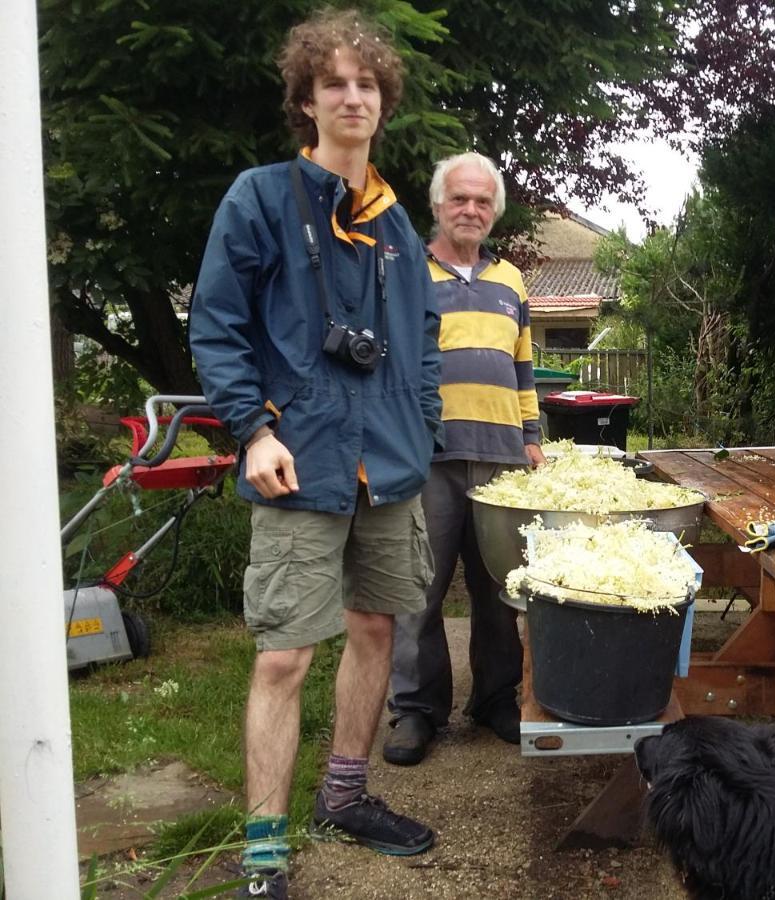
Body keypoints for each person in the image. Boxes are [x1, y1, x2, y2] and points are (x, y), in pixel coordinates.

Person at [189, 10, 442, 897]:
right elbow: (216, 328)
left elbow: (422, 337)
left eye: (366, 83)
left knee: (377, 627)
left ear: (383, 102)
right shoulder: (260, 198)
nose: (351, 96)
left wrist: (423, 424)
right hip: (299, 459)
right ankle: (264, 845)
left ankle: (345, 794)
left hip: (391, 466)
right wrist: (252, 431)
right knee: (285, 654)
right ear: (306, 100)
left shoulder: (400, 224)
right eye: (333, 82)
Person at [383, 151, 544, 766]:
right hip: (429, 457)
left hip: (502, 457)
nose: (471, 210)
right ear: (437, 205)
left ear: (494, 211)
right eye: (460, 199)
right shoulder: (407, 272)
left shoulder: (512, 282)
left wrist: (531, 434)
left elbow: (523, 365)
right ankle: (417, 711)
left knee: (500, 590)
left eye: (482, 201)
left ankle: (496, 698)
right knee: (417, 589)